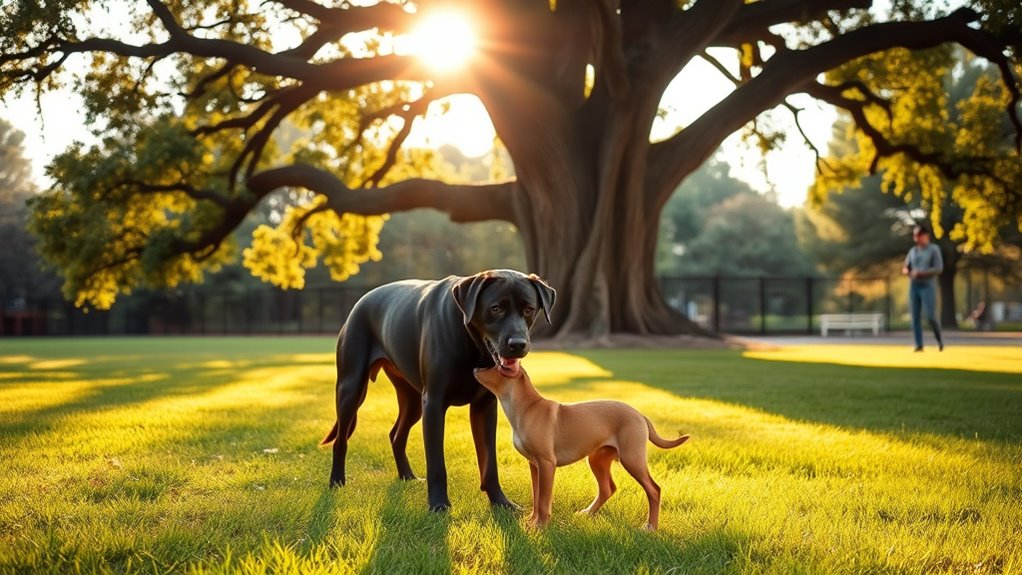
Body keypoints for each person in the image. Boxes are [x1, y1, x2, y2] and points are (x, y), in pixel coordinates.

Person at [902, 224, 944, 351]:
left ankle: (939, 340)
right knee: (915, 316)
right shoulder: (913, 251)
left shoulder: (933, 250)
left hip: (927, 285)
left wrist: (922, 273)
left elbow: (938, 268)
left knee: (930, 315)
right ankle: (918, 344)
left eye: (920, 236)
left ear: (926, 236)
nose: (917, 238)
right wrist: (908, 272)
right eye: (916, 236)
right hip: (914, 285)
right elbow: (906, 267)